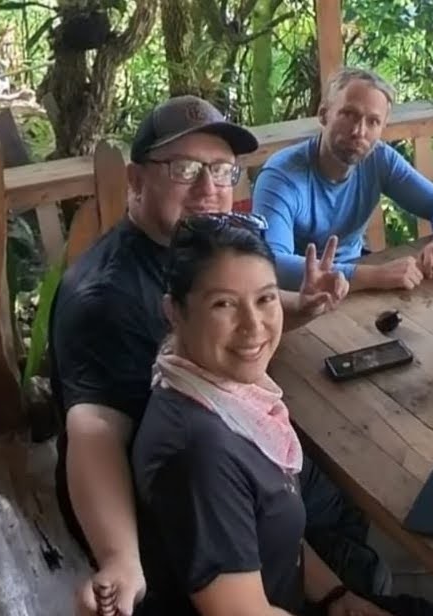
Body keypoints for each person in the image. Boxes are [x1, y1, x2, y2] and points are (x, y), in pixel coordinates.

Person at [48, 96, 383, 616]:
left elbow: (227, 320)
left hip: (218, 454)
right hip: (183, 497)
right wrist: (120, 558)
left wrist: (298, 305)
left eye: (223, 170)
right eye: (184, 169)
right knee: (344, 499)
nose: (209, 188)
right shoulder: (107, 298)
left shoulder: (186, 251)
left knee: (332, 479)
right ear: (136, 180)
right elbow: (95, 428)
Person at [130, 213, 391, 616]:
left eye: (266, 298)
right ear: (174, 312)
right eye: (223, 304)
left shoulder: (220, 397)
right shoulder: (201, 454)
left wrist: (337, 595)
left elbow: (270, 534)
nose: (253, 326)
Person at [253, 68, 433, 292]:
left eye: (373, 121)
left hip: (357, 284)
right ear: (324, 114)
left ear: (383, 128)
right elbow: (273, 265)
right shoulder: (282, 175)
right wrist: (374, 276)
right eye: (349, 115)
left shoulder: (379, 160)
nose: (359, 131)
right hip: (296, 297)